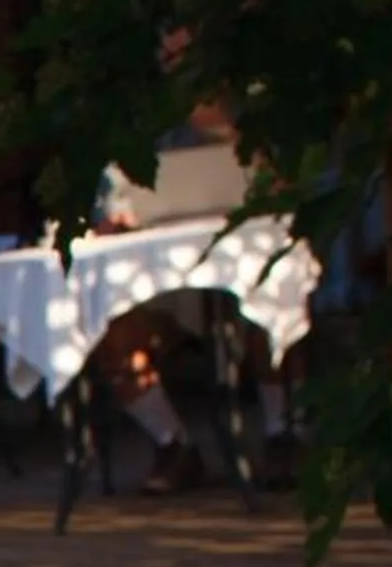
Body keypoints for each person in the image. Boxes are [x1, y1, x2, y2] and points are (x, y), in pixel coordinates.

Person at [89, 103, 298, 493]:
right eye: (167, 48)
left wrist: (229, 130)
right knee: (113, 331)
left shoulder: (254, 107)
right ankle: (173, 443)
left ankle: (283, 434)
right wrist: (116, 218)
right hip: (155, 270)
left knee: (273, 303)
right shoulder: (138, 122)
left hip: (242, 255)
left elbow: (287, 191)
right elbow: (107, 206)